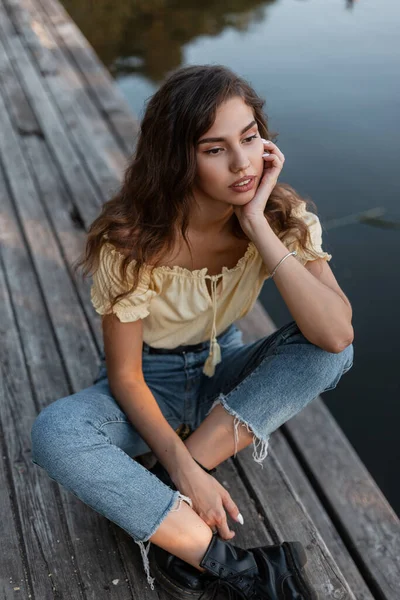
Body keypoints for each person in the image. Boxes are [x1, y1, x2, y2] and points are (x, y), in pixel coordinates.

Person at [31, 64, 354, 599]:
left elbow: (337, 334)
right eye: (214, 149)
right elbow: (125, 377)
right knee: (55, 433)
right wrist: (186, 472)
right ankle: (240, 570)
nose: (242, 162)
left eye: (249, 138)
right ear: (178, 156)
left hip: (219, 388)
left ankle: (158, 497)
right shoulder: (131, 240)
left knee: (326, 353)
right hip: (146, 388)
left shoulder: (280, 215)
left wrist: (258, 226)